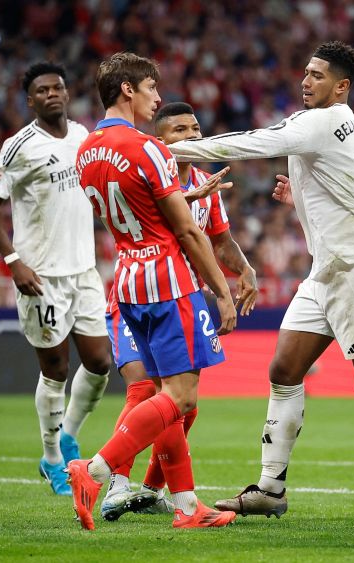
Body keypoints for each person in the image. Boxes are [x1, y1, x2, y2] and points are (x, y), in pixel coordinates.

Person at [169, 41, 354, 527]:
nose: (306, 81)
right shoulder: (352, 127)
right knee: (283, 369)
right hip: (329, 269)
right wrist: (300, 198)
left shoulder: (319, 122)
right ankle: (271, 489)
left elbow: (247, 143)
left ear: (341, 87)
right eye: (305, 72)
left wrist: (158, 148)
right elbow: (351, 201)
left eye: (318, 75)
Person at [65, 52, 238, 531]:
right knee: (181, 397)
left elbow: (136, 208)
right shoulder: (149, 148)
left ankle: (187, 507)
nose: (157, 98)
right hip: (166, 280)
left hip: (127, 279)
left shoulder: (88, 149)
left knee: (162, 393)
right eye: (150, 89)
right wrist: (221, 290)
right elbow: (186, 232)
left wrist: (185, 198)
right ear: (127, 90)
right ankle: (96, 470)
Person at [99, 102, 259, 521]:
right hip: (136, 296)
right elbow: (164, 218)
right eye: (180, 131)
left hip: (179, 296)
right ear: (160, 141)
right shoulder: (150, 175)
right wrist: (222, 292)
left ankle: (152, 491)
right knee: (145, 391)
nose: (192, 136)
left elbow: (220, 241)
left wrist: (244, 270)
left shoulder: (206, 182)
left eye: (196, 128)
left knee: (183, 403)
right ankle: (113, 482)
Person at [0, 62, 112, 496]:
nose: (51, 93)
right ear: (30, 99)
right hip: (42, 276)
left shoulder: (83, 137)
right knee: (55, 369)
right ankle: (52, 458)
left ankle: (68, 433)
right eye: (42, 90)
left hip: (85, 270)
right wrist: (13, 260)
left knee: (99, 362)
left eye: (57, 87)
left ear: (67, 92)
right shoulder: (20, 146)